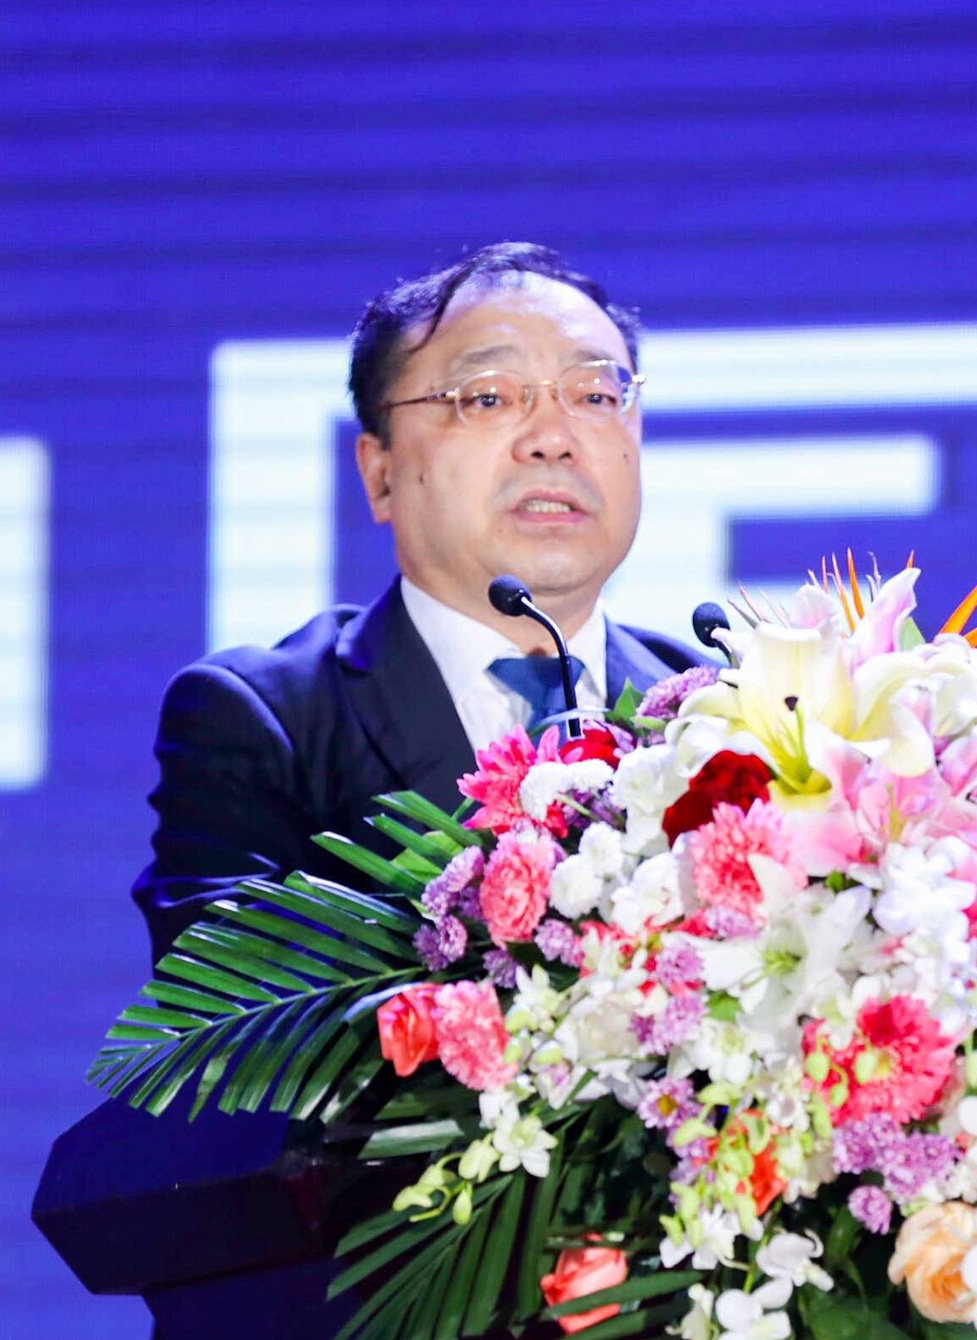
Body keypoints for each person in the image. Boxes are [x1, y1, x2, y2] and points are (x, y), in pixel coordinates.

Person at [131, 243, 710, 962]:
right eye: (488, 398)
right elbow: (233, 1014)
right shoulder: (271, 723)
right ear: (380, 473)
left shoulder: (722, 712)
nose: (553, 439)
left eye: (595, 396)